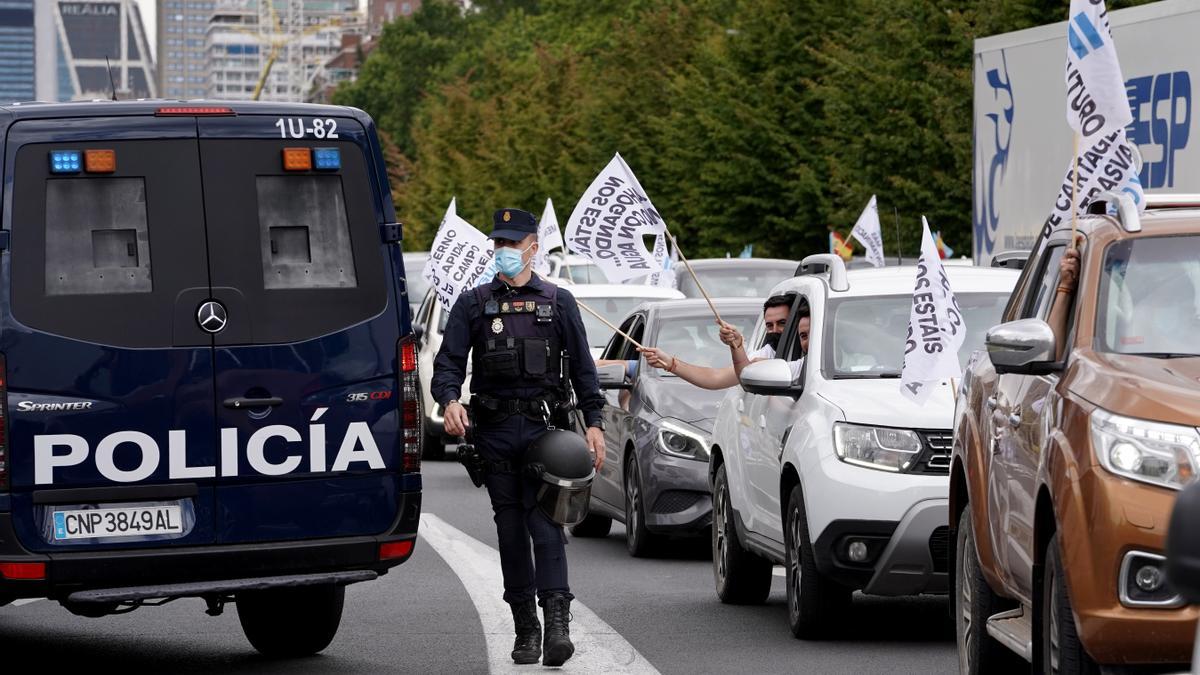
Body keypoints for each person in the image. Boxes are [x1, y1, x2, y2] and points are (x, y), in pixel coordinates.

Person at [431, 208, 605, 667]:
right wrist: (449, 400)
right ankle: (526, 629)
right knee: (510, 532)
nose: (504, 251)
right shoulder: (473, 303)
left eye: (513, 243)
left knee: (546, 527)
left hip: (546, 430)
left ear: (533, 245)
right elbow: (448, 364)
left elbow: (585, 370)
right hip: (495, 432)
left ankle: (558, 627)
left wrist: (594, 422)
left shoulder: (557, 301)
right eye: (498, 244)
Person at [640, 294, 808, 387]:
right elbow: (716, 377)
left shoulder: (814, 359)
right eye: (769, 326)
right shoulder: (769, 352)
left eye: (782, 323)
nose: (774, 331)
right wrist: (670, 363)